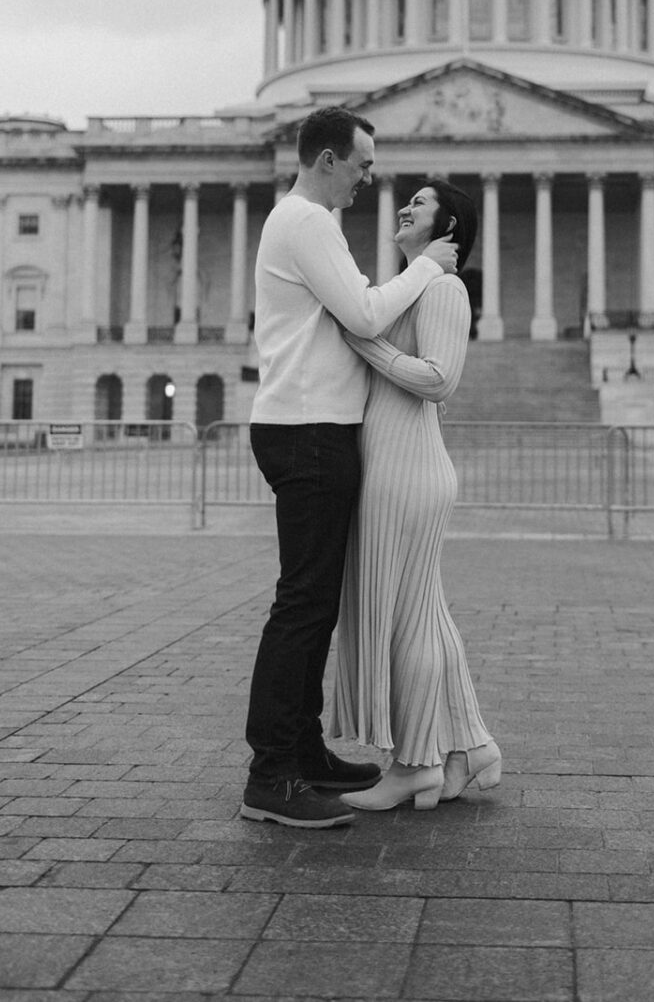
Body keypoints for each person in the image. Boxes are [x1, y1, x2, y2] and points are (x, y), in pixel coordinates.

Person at [240, 108, 459, 830]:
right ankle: (271, 775)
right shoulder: (305, 222)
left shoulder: (307, 223)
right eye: (363, 164)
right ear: (330, 158)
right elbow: (365, 316)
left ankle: (302, 752)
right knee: (302, 606)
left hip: (312, 425)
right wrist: (427, 266)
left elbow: (358, 315)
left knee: (314, 604)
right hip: (306, 428)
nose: (371, 177)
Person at [330, 179, 501, 811]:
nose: (406, 205)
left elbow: (439, 379)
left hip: (407, 468)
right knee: (423, 614)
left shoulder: (445, 288)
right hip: (394, 463)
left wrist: (362, 342)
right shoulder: (410, 288)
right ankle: (470, 745)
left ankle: (413, 764)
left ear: (448, 224)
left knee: (402, 621)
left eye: (422, 202)